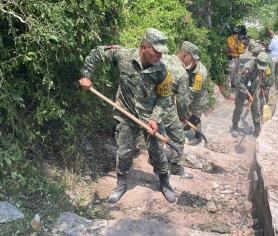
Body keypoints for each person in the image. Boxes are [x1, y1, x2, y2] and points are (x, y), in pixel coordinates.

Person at [78, 28, 177, 204]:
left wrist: (154, 118)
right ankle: (121, 183)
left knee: (157, 152)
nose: (160, 57)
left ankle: (165, 182)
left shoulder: (161, 70)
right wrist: (86, 76)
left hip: (149, 117)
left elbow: (165, 98)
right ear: (145, 47)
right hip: (125, 113)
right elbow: (98, 53)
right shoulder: (123, 56)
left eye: (162, 53)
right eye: (157, 52)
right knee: (124, 152)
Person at [160, 41, 199, 179]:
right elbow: (182, 101)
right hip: (163, 106)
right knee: (178, 136)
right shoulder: (182, 73)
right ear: (184, 55)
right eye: (192, 58)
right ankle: (175, 168)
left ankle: (158, 159)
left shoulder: (162, 58)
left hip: (147, 103)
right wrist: (183, 116)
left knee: (158, 133)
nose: (192, 62)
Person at [230, 51, 268, 138]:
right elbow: (238, 82)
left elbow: (263, 79)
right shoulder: (248, 67)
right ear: (257, 61)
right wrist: (248, 94)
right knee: (239, 109)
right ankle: (234, 127)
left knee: (256, 109)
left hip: (253, 89)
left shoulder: (264, 66)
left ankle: (257, 130)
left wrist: (263, 78)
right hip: (242, 89)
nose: (261, 68)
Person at [186, 56, 208, 146]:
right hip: (190, 94)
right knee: (188, 114)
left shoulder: (201, 73)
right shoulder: (190, 65)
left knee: (195, 118)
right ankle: (188, 125)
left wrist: (184, 100)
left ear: (195, 61)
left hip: (198, 99)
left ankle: (198, 137)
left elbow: (194, 90)